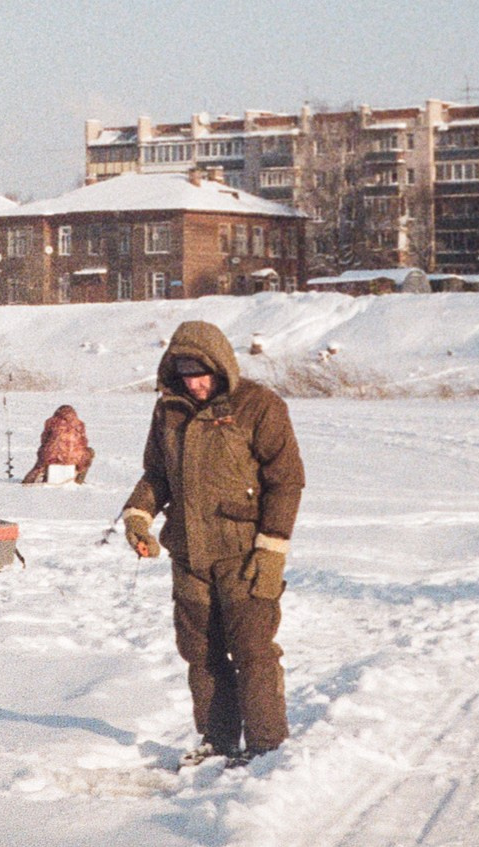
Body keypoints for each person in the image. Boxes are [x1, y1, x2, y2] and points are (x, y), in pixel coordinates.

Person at [121, 320, 303, 767]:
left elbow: (286, 481)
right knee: (200, 652)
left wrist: (271, 548)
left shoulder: (259, 407)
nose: (195, 384)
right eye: (185, 375)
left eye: (202, 374)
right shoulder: (168, 411)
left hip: (245, 554)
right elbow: (157, 475)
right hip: (189, 553)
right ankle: (217, 739)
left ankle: (265, 746)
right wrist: (139, 517)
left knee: (253, 649)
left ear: (221, 367)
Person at [21, 403, 95, 484]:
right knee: (89, 453)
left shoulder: (51, 421)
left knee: (43, 457)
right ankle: (79, 479)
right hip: (74, 458)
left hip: (51, 456)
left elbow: (44, 439)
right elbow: (84, 442)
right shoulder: (80, 424)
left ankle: (34, 478)